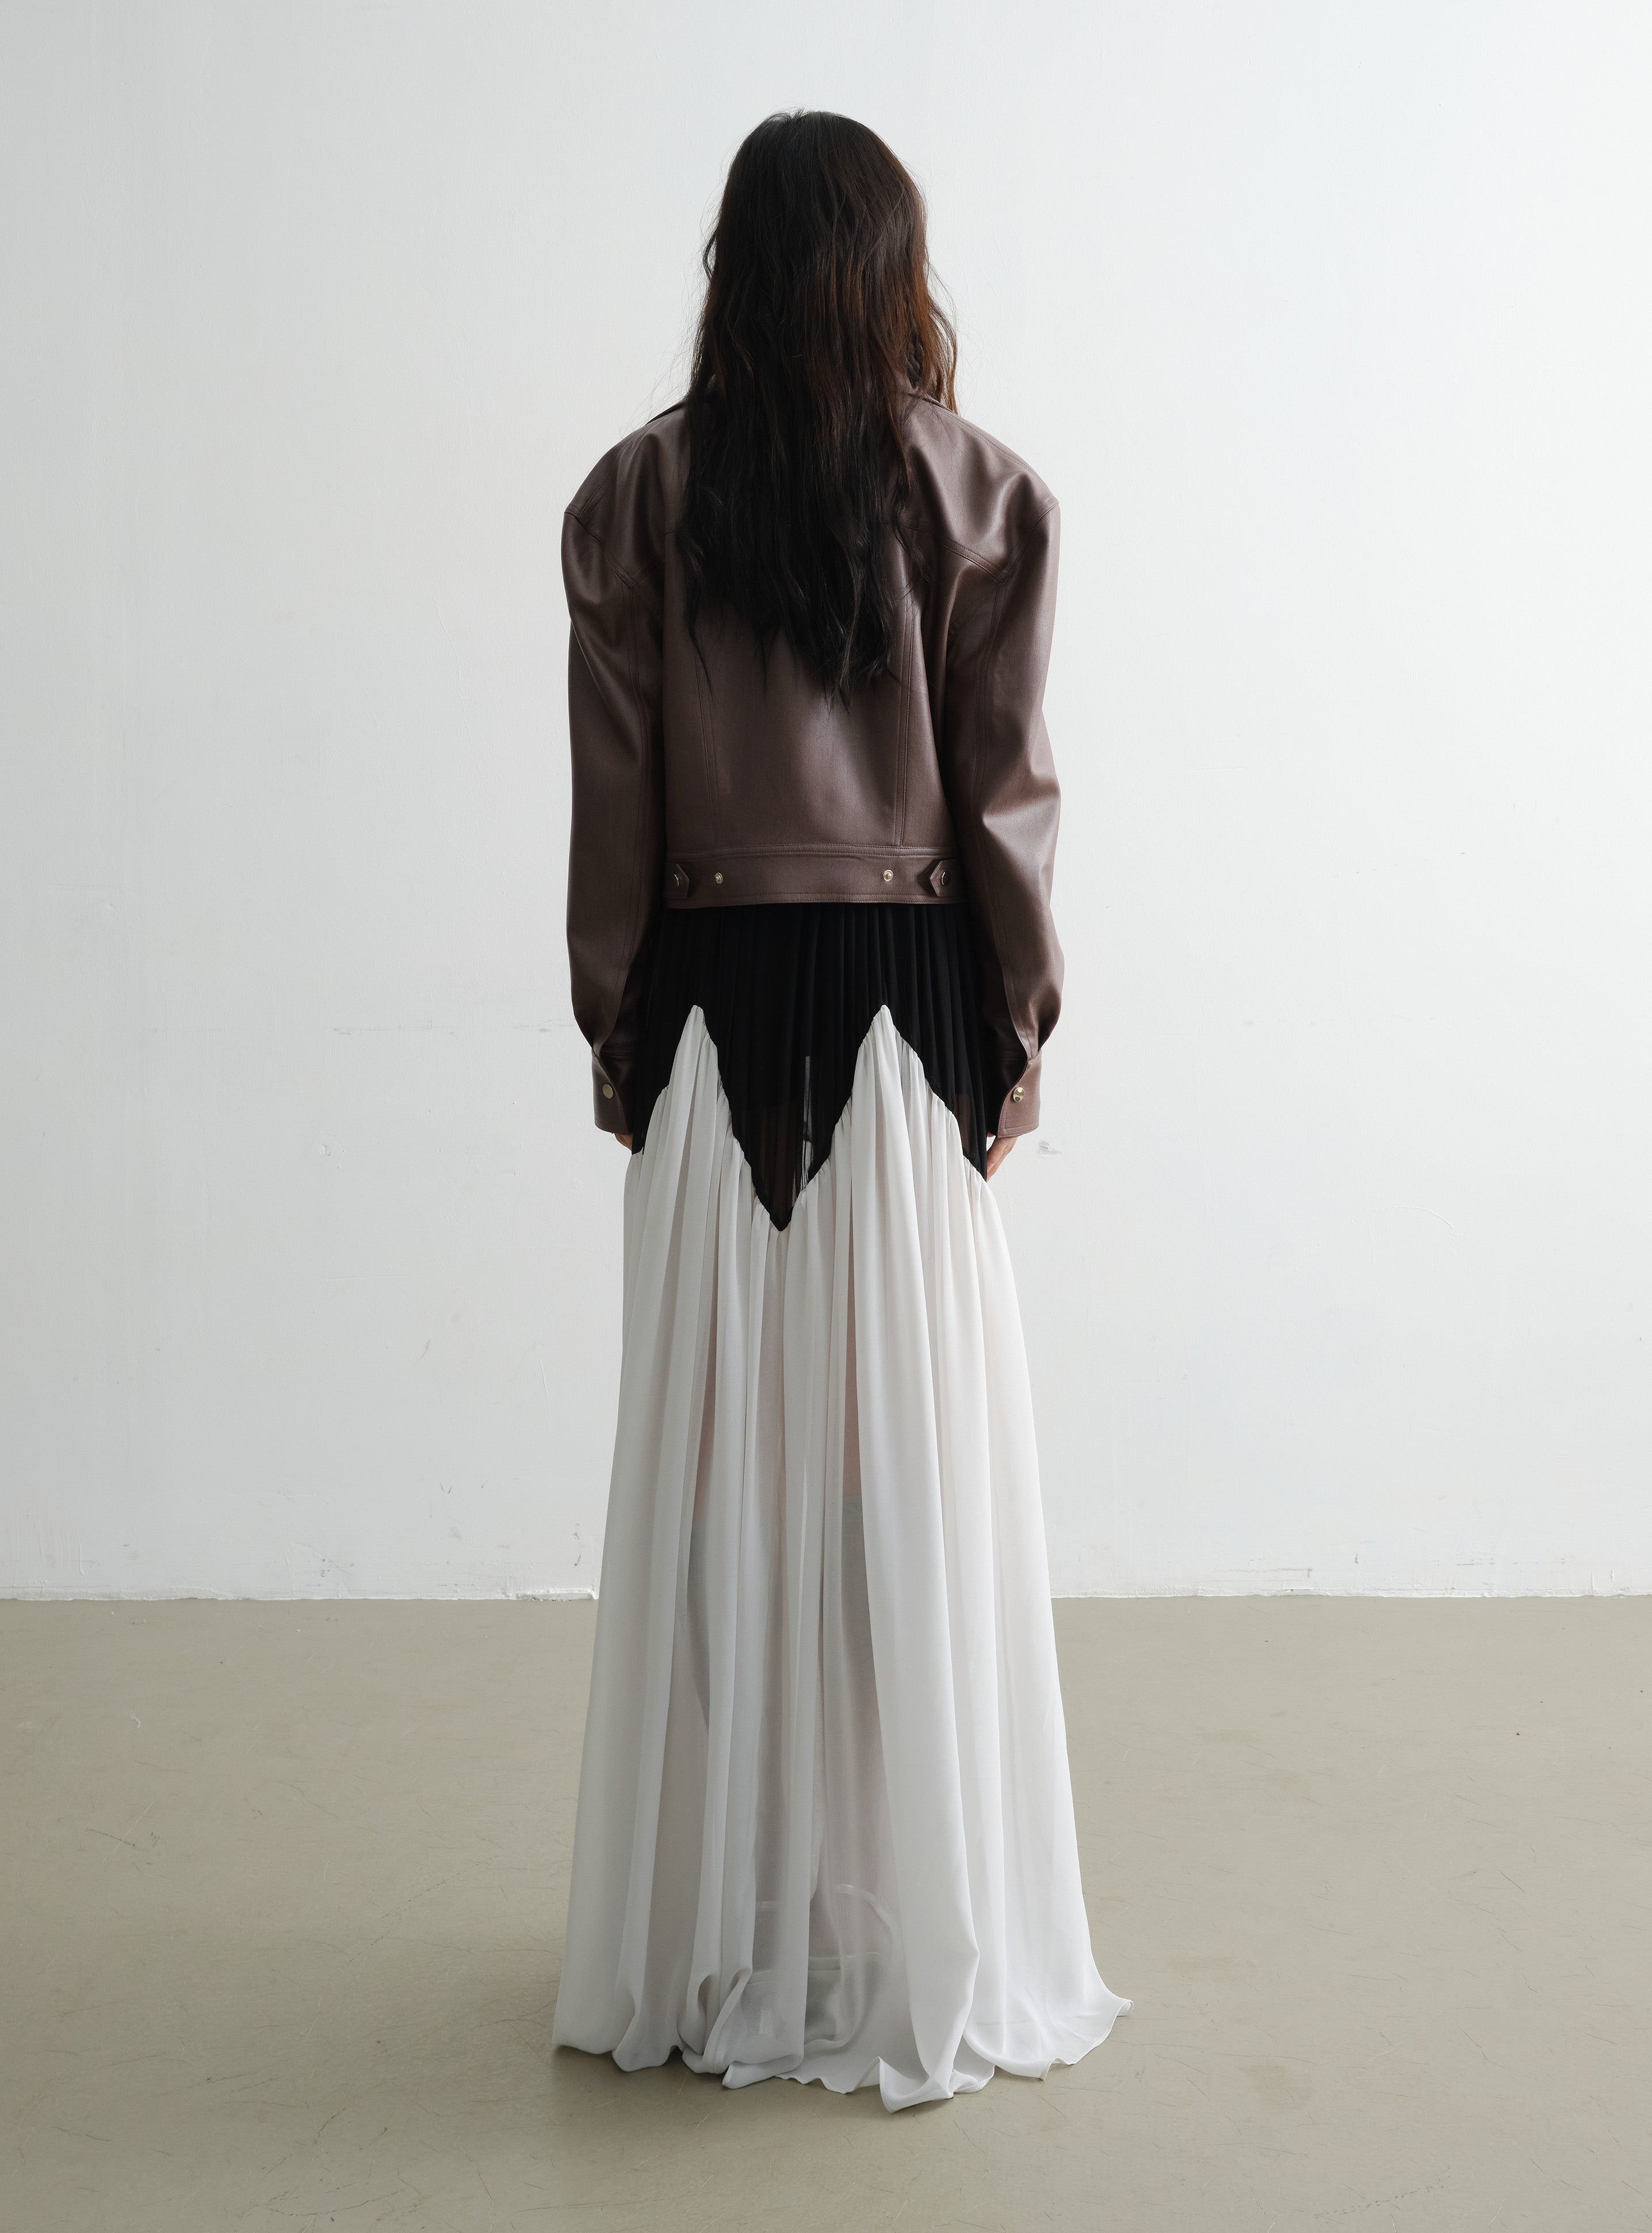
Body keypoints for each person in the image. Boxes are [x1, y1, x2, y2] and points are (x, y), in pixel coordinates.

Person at [550, 110, 1129, 2111]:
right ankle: (923, 1907)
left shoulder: (636, 500)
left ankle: (737, 1909)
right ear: (897, 270)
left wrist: (621, 1040)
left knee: (722, 1484)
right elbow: (1007, 798)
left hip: (713, 1023)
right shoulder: (981, 491)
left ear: (732, 263)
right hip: (905, 1019)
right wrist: (1018, 1031)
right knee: (914, 1480)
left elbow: (613, 813)